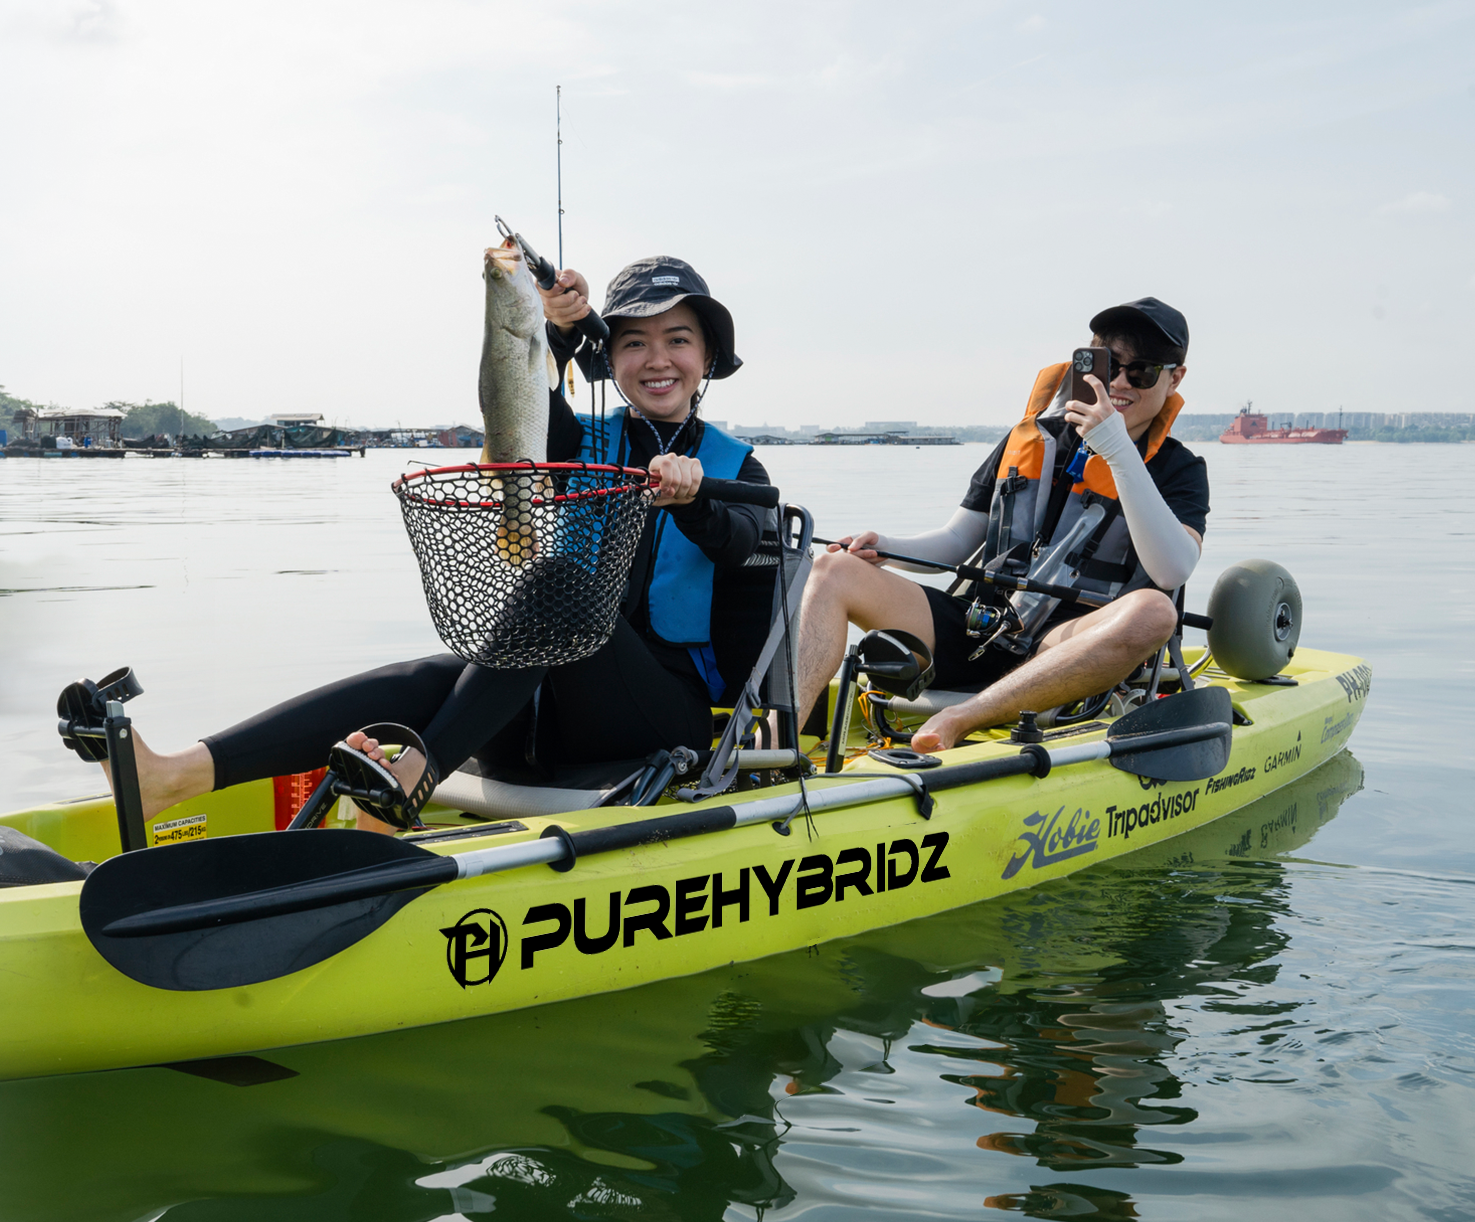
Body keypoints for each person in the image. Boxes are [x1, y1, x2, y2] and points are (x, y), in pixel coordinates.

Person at [83, 253, 773, 830]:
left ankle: (413, 778)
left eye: (677, 339)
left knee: (559, 583)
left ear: (707, 354)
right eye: (633, 342)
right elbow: (519, 398)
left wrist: (696, 500)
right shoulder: (579, 446)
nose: (657, 359)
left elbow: (746, 547)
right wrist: (554, 328)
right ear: (612, 358)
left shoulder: (738, 466)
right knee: (434, 675)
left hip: (659, 720)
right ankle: (174, 775)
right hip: (552, 711)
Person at [796, 297, 1208, 753]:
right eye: (1109, 366)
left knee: (1154, 612)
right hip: (980, 626)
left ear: (1176, 377)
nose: (1119, 383)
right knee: (831, 570)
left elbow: (1172, 570)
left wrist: (1118, 450)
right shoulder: (1030, 438)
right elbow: (956, 540)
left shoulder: (1180, 469)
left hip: (1064, 649)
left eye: (1143, 372)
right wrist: (887, 546)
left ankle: (964, 717)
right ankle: (777, 744)